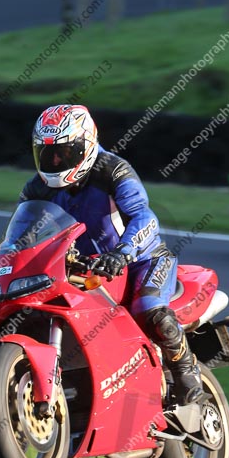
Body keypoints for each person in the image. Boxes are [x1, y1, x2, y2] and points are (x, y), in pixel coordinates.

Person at [18, 104, 206, 406]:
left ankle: (187, 374)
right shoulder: (36, 189)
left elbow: (144, 217)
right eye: (47, 153)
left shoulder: (113, 170)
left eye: (63, 152)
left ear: (85, 145)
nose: (54, 161)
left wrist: (123, 252)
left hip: (141, 261)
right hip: (83, 270)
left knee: (149, 309)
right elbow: (22, 236)